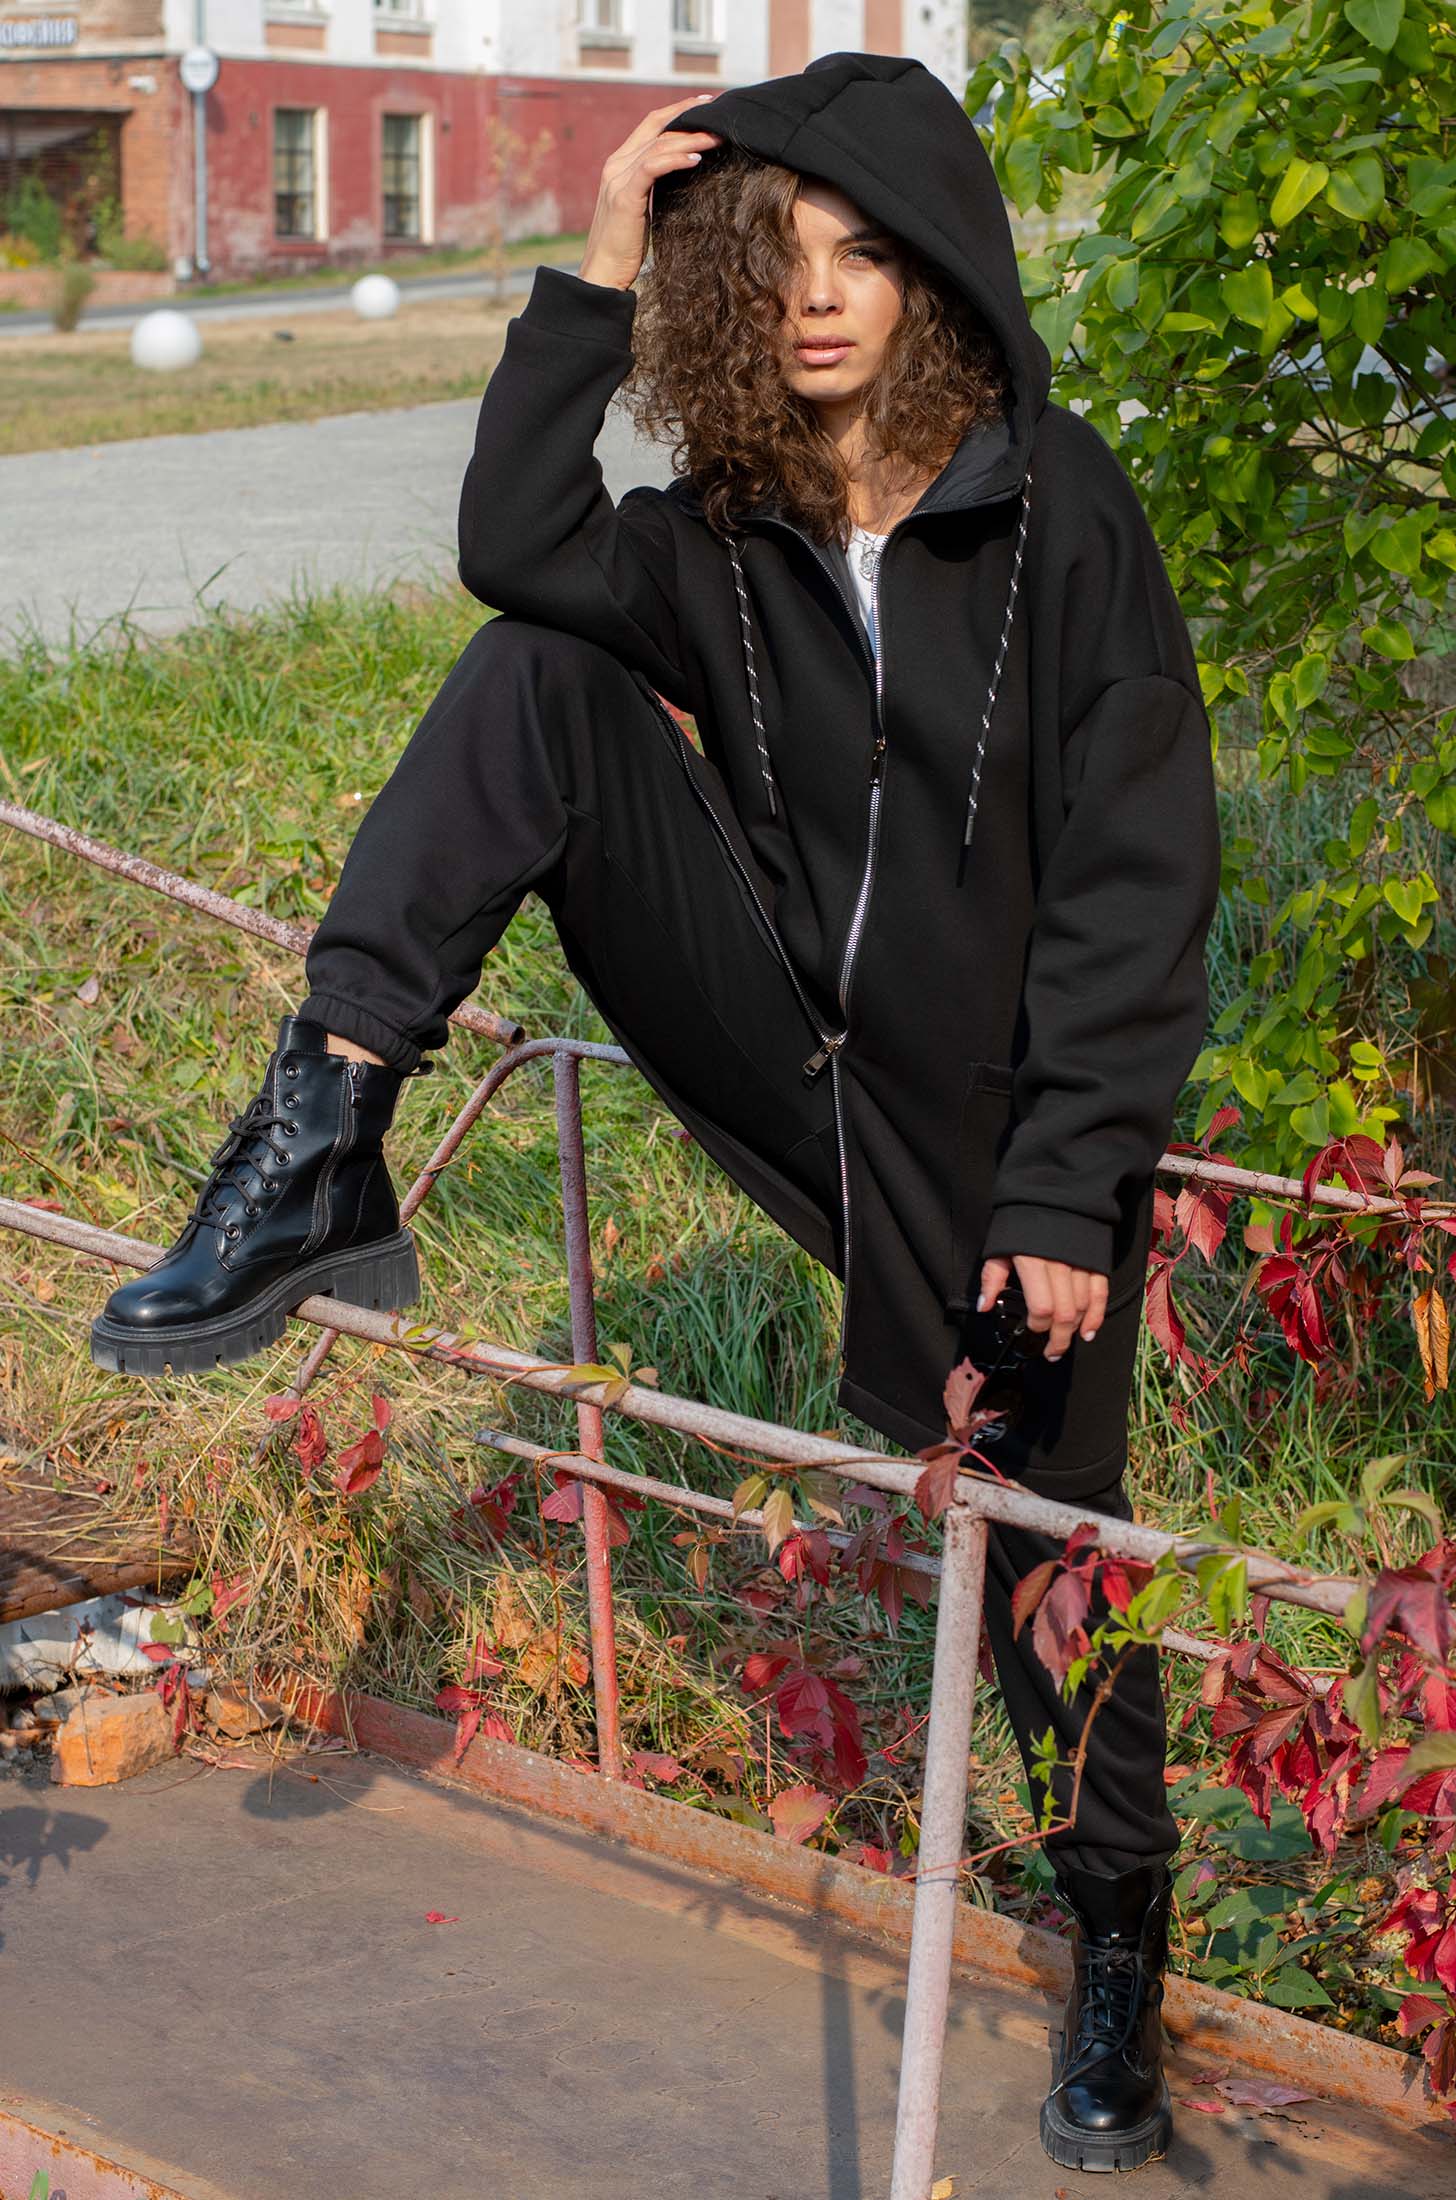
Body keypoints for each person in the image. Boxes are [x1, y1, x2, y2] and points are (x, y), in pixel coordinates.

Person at [91, 52, 1221, 2174]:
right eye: (772, 257)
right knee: (533, 677)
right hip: (779, 1044)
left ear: (935, 274)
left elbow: (1138, 867)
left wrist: (1071, 1177)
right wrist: (599, 259)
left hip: (990, 1143)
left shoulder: (1059, 510)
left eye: (862, 254)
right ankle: (321, 1128)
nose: (818, 298)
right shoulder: (720, 528)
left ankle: (1117, 1939)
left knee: (1052, 1559)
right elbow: (510, 545)